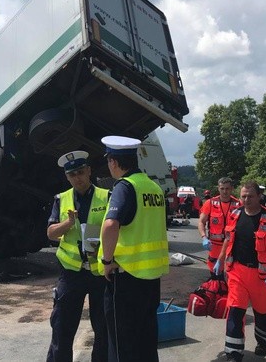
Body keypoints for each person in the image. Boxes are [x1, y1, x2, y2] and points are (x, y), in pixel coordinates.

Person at [97, 135, 169, 362]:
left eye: (108, 160)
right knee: (146, 342)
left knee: (121, 345)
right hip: (150, 279)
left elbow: (111, 225)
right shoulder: (154, 187)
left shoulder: (125, 187)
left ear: (114, 162)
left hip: (125, 277)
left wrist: (107, 261)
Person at [46, 150, 109, 362]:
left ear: (89, 171)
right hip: (71, 273)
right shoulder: (61, 199)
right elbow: (51, 233)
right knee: (62, 327)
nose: (77, 178)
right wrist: (67, 223)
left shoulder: (106, 196)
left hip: (100, 272)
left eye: (81, 172)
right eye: (72, 175)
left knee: (103, 328)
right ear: (67, 177)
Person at [215, 181, 266, 361]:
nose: (246, 200)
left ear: (259, 197)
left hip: (261, 276)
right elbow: (227, 239)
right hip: (237, 273)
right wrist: (220, 259)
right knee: (235, 312)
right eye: (243, 196)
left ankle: (264, 343)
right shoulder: (235, 214)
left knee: (264, 313)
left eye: (250, 196)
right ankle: (233, 353)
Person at [198, 177, 241, 276]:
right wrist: (204, 237)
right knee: (216, 278)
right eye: (222, 188)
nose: (225, 191)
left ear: (232, 189)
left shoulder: (238, 204)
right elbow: (201, 222)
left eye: (227, 188)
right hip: (215, 247)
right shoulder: (210, 203)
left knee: (232, 276)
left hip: (232, 246)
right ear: (218, 188)